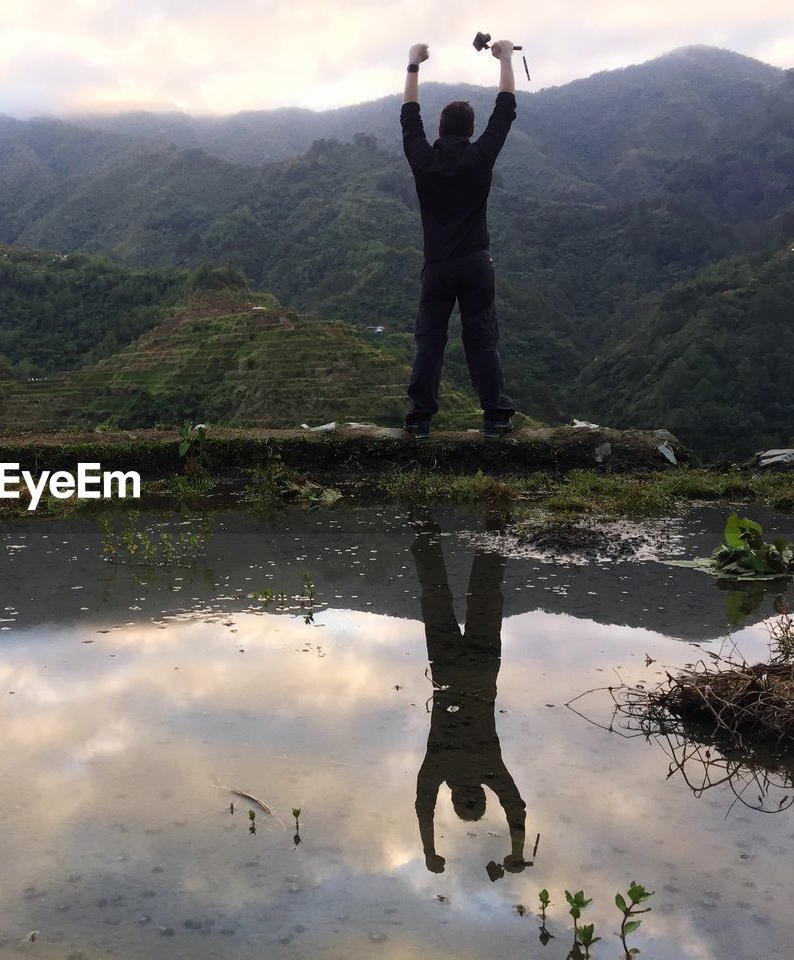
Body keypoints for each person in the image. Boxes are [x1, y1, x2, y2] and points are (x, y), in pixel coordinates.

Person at [400, 40, 518, 440]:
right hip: (475, 264)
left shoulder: (423, 159)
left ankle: (419, 420)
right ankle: (496, 418)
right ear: (471, 130)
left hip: (437, 266)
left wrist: (413, 65)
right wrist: (504, 59)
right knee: (481, 337)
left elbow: (408, 116)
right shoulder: (479, 156)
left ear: (438, 129)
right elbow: (504, 112)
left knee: (430, 340)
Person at [410, 512, 528, 881]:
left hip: (460, 667)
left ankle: (435, 529)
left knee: (456, 598)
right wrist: (515, 853)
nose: (471, 802)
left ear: (455, 799)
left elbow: (423, 810)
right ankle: (487, 530)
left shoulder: (446, 773)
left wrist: (430, 850)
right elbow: (516, 810)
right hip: (471, 668)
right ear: (481, 796)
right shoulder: (486, 772)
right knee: (476, 598)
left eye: (466, 806)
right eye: (476, 805)